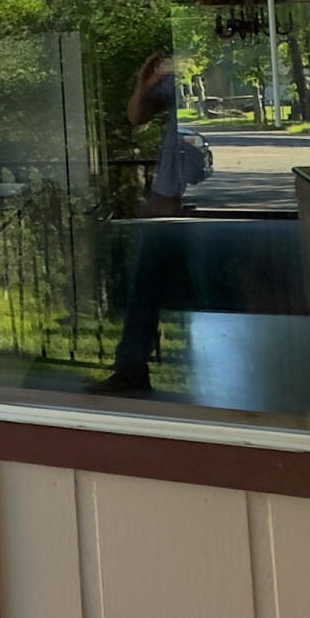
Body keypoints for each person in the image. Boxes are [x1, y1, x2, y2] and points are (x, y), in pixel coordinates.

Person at [91, 49, 208, 395]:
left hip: (208, 198)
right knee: (144, 284)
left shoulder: (215, 64)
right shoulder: (177, 71)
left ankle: (219, 376)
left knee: (206, 285)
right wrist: (145, 84)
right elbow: (136, 116)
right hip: (168, 197)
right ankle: (131, 370)